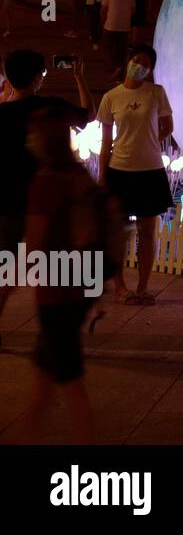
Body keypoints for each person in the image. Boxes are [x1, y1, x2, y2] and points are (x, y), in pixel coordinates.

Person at [16, 106, 124, 445]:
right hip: (82, 286)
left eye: (33, 133)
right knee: (45, 376)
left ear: (42, 141)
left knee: (70, 381)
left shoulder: (46, 182)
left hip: (57, 291)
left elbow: (34, 245)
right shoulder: (80, 177)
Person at [0, 50, 93, 345]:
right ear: (38, 77)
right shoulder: (49, 108)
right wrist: (79, 78)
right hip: (48, 201)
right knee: (52, 270)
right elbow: (86, 115)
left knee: (7, 271)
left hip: (8, 203)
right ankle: (52, 332)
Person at [97, 44, 173, 306]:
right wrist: (102, 177)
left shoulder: (156, 93)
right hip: (120, 170)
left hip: (150, 170)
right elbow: (105, 143)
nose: (139, 66)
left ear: (150, 70)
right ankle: (120, 287)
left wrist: (149, 142)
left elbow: (167, 126)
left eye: (145, 64)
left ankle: (143, 287)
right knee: (118, 233)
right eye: (136, 60)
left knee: (147, 231)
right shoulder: (110, 97)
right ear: (127, 61)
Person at [101, 0, 135, 77]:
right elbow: (133, 9)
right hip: (124, 25)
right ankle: (120, 67)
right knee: (121, 48)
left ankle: (114, 66)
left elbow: (104, 9)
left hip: (110, 24)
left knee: (107, 46)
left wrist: (102, 21)